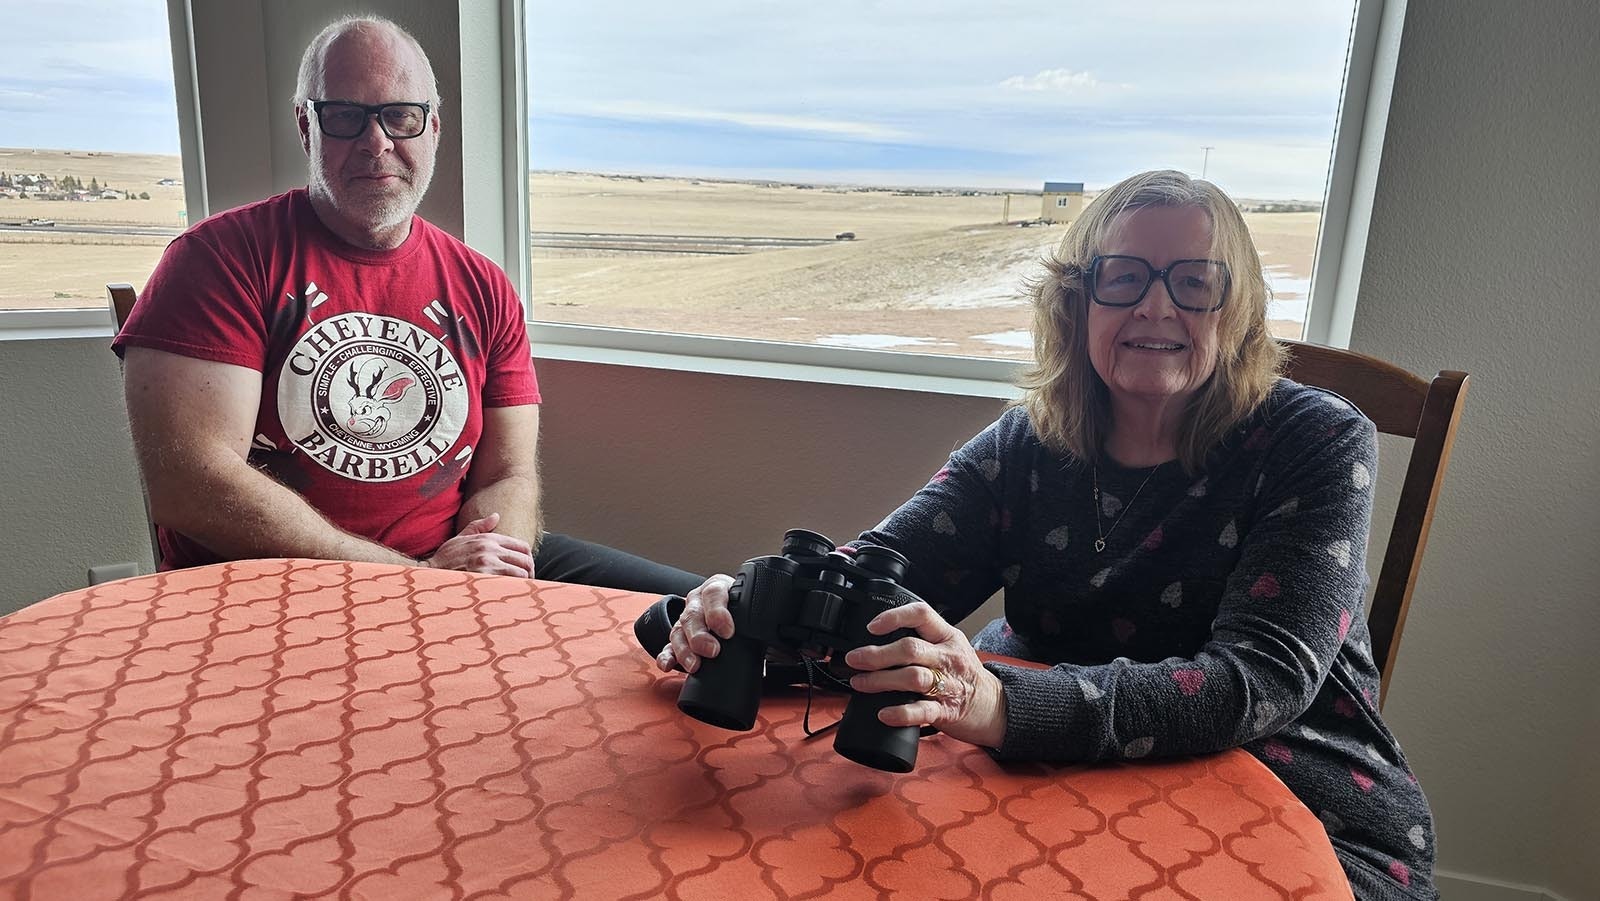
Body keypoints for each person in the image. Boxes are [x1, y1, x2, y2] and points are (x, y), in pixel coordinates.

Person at [659, 170, 1437, 899]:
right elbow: (877, 582)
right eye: (1123, 277)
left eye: (1195, 283)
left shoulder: (1317, 438)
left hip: (1290, 786)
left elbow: (1257, 681)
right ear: (1078, 301)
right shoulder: (1026, 442)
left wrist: (999, 705)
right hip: (1042, 775)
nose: (1156, 308)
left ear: (1236, 311)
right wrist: (729, 607)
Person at [113, 15, 700, 596]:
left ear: (433, 129)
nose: (376, 142)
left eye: (400, 115)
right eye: (344, 116)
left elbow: (507, 473)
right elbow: (190, 486)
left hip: (453, 565)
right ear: (305, 126)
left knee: (726, 621)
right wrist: (413, 580)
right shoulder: (220, 259)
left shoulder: (484, 285)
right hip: (276, 583)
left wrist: (494, 575)